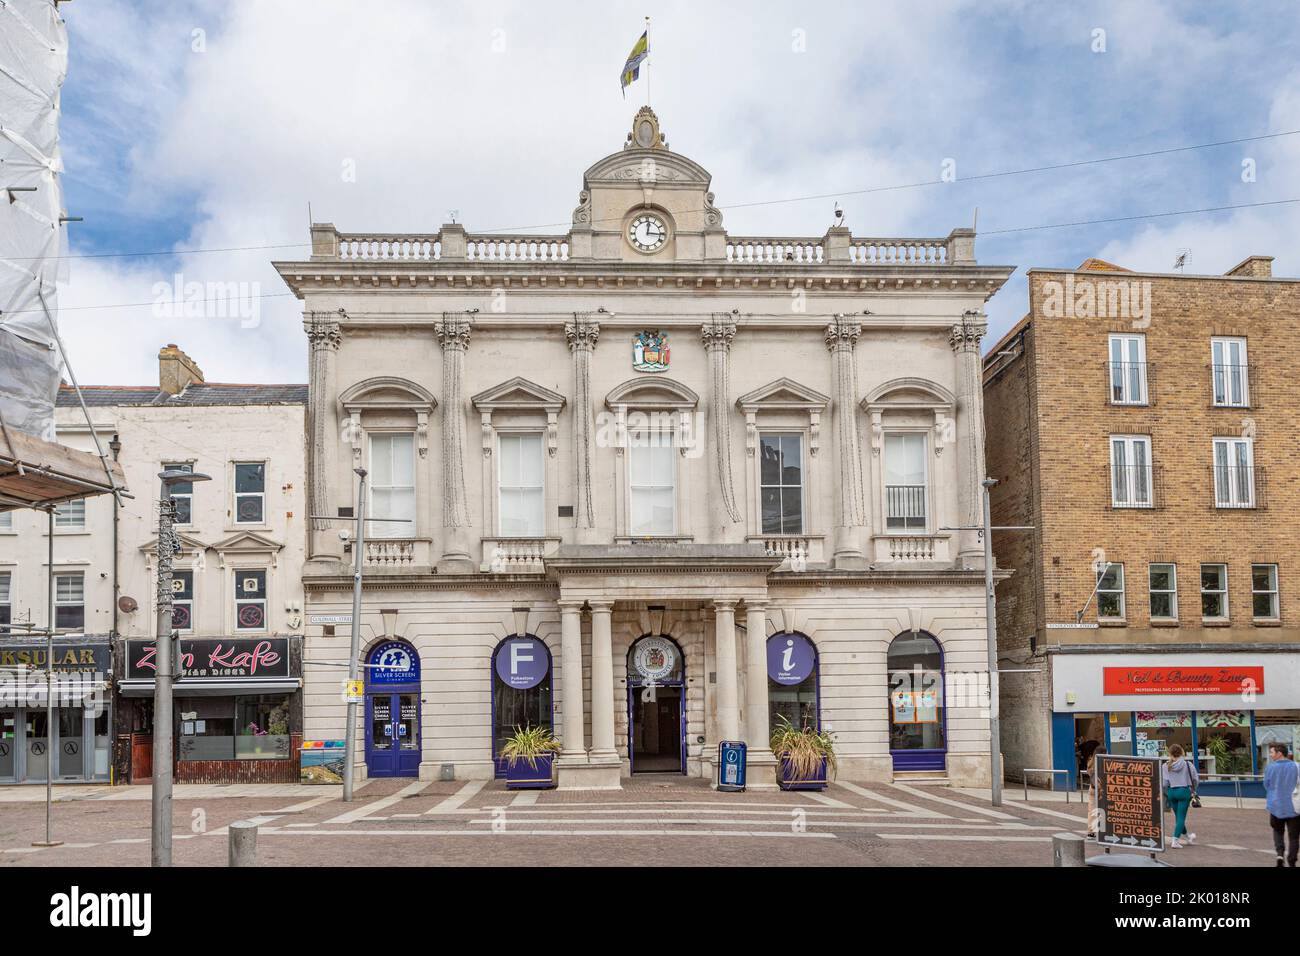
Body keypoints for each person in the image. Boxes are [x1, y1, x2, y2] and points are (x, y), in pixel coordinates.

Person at [1264, 741, 1300, 867]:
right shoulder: (1297, 766)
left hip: (1276, 805)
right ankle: (1292, 859)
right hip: (1294, 807)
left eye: (1272, 752)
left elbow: (1266, 785)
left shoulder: (1270, 767)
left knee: (1278, 831)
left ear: (1279, 753)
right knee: (1294, 836)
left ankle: (1280, 854)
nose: (1270, 755)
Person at [1162, 743, 1198, 848]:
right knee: (1181, 817)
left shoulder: (1165, 766)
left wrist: (1166, 791)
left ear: (1170, 753)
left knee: (1178, 817)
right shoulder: (1188, 764)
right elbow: (1195, 779)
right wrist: (1194, 789)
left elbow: (1164, 783)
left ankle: (1188, 836)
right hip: (1184, 791)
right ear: (1181, 752)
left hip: (1171, 792)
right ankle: (1175, 840)